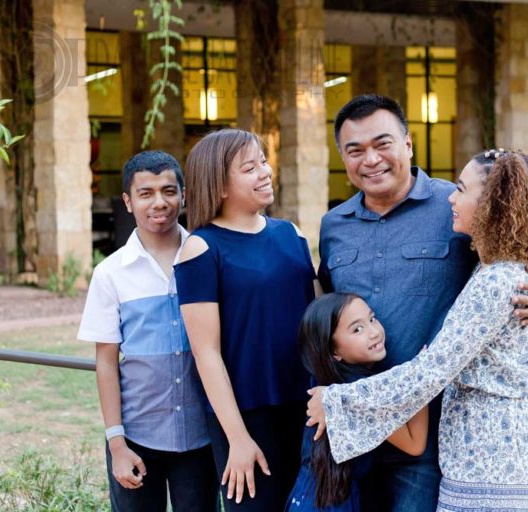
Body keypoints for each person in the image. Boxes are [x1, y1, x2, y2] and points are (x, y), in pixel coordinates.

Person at [316, 94, 528, 512]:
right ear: (342, 156)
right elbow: (328, 310)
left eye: (383, 143)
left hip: (434, 440)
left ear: (408, 144)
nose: (371, 159)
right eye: (355, 150)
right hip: (359, 433)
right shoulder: (333, 225)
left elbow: (520, 255)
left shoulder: (456, 206)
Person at [174, 128, 316, 511]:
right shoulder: (201, 248)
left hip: (308, 409)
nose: (265, 172)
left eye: (264, 162)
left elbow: (316, 321)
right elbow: (206, 354)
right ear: (219, 185)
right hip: (247, 417)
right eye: (250, 167)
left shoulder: (292, 234)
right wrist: (237, 438)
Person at [78, 150, 218, 512]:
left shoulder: (206, 259)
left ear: (183, 196)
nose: (160, 203)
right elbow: (106, 363)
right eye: (145, 193)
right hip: (137, 439)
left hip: (201, 438)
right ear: (128, 201)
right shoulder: (110, 274)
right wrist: (117, 444)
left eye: (169, 191)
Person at [287, 293, 429, 512]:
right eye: (357, 329)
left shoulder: (328, 382)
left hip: (311, 497)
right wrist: (421, 374)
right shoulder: (356, 397)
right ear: (334, 351)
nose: (374, 332)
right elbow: (414, 443)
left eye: (372, 319)